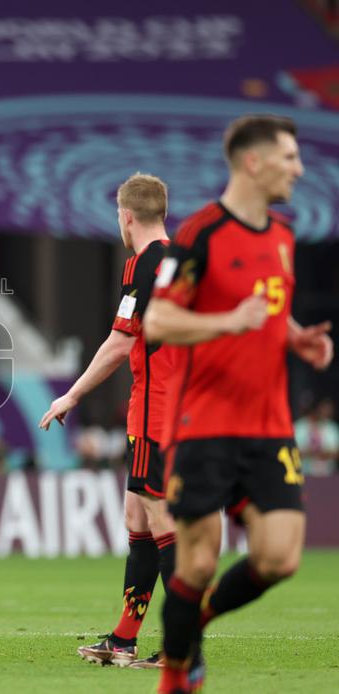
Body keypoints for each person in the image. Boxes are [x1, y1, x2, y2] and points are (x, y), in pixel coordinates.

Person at [144, 114, 333, 694]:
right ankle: (176, 678)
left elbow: (269, 309)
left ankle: (193, 624)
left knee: (281, 557)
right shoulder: (200, 234)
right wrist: (229, 321)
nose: (299, 169)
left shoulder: (281, 236)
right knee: (197, 565)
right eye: (290, 157)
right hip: (205, 427)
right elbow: (157, 319)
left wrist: (293, 334)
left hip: (269, 426)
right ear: (254, 162)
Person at [40, 173, 177, 668]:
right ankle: (123, 640)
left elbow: (121, 342)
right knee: (137, 518)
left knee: (161, 521)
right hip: (173, 402)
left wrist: (70, 396)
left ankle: (183, 644)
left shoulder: (144, 264)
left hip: (157, 405)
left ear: (126, 216)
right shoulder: (183, 263)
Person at [294, 398, 339, 476]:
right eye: (323, 409)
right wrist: (309, 452)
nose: (326, 413)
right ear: (316, 409)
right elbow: (291, 452)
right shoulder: (299, 427)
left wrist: (327, 453)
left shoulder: (332, 428)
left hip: (328, 475)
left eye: (329, 411)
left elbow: (336, 452)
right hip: (304, 474)